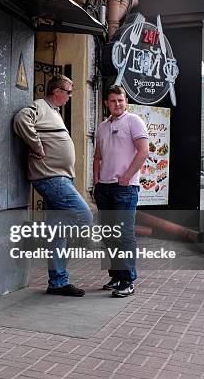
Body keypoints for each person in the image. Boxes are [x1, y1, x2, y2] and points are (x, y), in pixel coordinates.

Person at [13, 75, 93, 297]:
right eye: (68, 92)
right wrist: (36, 146)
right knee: (84, 216)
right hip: (51, 178)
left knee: (58, 234)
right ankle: (44, 243)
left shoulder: (54, 112)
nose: (70, 96)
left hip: (59, 178)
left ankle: (58, 282)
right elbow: (21, 119)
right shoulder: (40, 106)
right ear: (56, 91)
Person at [93, 85, 149, 298]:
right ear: (107, 103)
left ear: (125, 101)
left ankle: (127, 280)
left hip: (125, 188)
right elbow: (98, 155)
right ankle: (116, 276)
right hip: (104, 188)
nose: (117, 104)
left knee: (124, 235)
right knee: (109, 235)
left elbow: (144, 152)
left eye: (121, 100)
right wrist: (96, 179)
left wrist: (127, 177)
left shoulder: (133, 121)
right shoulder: (102, 126)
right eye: (113, 101)